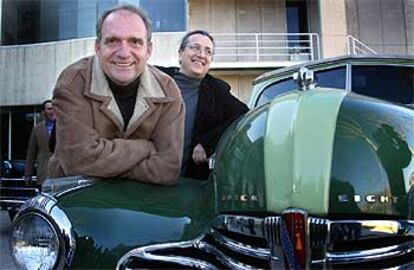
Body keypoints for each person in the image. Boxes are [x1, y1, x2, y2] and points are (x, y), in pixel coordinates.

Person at [48, 5, 185, 185]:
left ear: (149, 50)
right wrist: (146, 147)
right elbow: (78, 161)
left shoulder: (168, 90)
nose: (123, 53)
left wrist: (102, 163)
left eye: (135, 41)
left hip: (142, 203)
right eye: (113, 41)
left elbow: (168, 169)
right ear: (98, 47)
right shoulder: (73, 82)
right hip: (77, 202)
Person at [157, 30, 249, 180]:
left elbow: (244, 115)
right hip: (147, 178)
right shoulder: (157, 79)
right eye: (195, 47)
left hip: (188, 183)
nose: (201, 55)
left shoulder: (217, 91)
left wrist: (208, 143)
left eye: (208, 51)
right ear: (180, 53)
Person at [24, 100, 55, 186]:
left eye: (55, 108)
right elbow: (31, 153)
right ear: (44, 111)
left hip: (62, 175)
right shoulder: (37, 129)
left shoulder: (64, 127)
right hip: (44, 173)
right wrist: (28, 174)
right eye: (49, 109)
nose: (53, 111)